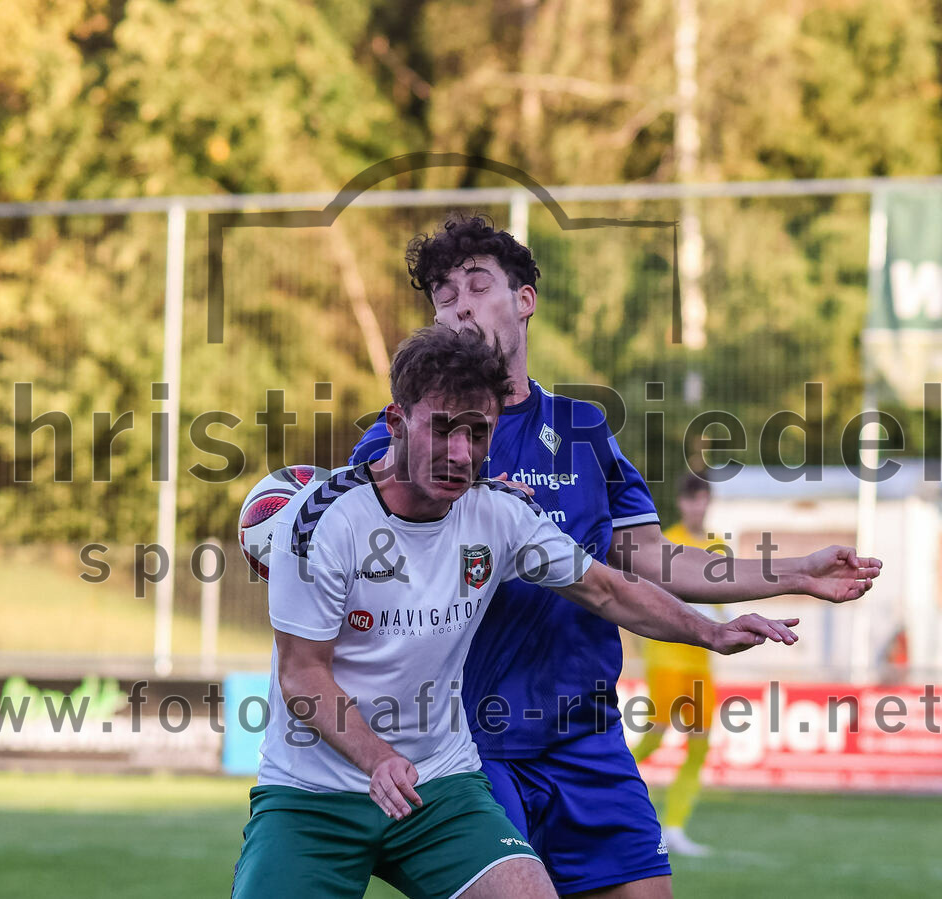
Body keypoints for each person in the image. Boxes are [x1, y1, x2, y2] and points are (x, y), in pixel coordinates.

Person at [349, 216, 881, 898]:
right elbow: (372, 566)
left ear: (525, 300)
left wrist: (789, 573)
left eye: (477, 285)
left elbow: (646, 557)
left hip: (584, 740)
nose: (458, 303)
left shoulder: (582, 431)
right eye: (442, 294)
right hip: (465, 748)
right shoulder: (399, 441)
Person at [231, 325, 806, 899]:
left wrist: (710, 630)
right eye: (443, 429)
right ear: (396, 422)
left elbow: (606, 589)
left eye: (477, 434)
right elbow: (301, 674)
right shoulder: (322, 522)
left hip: (438, 786)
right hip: (313, 794)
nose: (460, 453)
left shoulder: (500, 513)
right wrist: (378, 758)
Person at [631, 470, 723, 857]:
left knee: (700, 746)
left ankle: (675, 827)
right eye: (691, 499)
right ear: (682, 503)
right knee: (655, 736)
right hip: (667, 658)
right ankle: (595, 785)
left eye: (702, 498)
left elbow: (721, 601)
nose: (697, 506)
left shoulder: (718, 546)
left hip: (701, 664)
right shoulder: (667, 542)